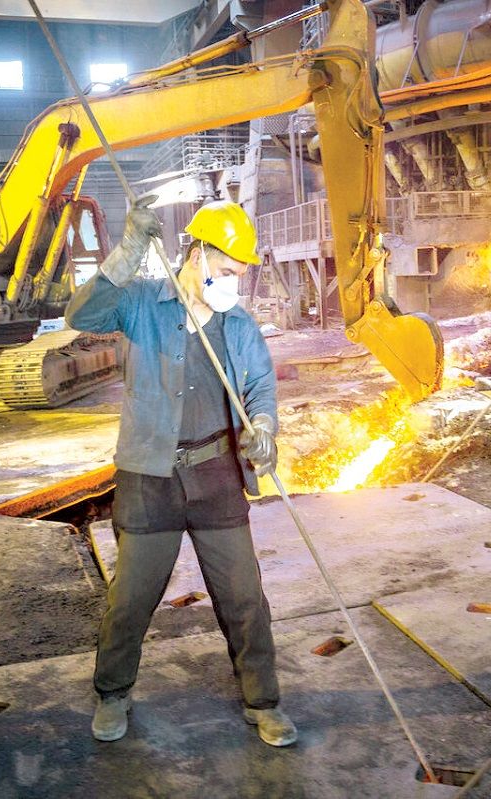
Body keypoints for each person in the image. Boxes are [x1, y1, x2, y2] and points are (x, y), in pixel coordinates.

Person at [66, 198, 296, 748]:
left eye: (240, 274)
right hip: (151, 477)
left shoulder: (238, 324)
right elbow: (82, 314)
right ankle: (113, 693)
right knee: (131, 599)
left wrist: (264, 426)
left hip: (216, 474)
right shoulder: (143, 303)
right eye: (227, 270)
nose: (235, 283)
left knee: (244, 598)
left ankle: (262, 701)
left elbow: (260, 387)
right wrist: (129, 249)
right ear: (197, 255)